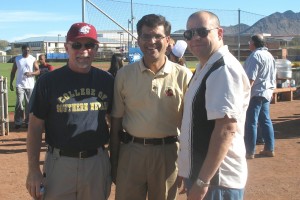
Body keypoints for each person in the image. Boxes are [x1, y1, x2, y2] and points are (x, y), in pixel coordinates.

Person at [26, 22, 114, 200]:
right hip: (60, 165)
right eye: (77, 45)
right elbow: (35, 126)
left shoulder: (106, 81)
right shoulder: (48, 81)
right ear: (67, 47)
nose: (84, 50)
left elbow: (114, 121)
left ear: (96, 48)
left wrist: (114, 161)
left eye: (90, 45)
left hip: (96, 163)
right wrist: (34, 170)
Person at [110, 14, 192, 200]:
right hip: (131, 153)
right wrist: (114, 161)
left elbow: (189, 127)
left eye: (157, 36)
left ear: (168, 40)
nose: (151, 42)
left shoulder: (183, 75)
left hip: (168, 154)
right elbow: (116, 122)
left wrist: (187, 166)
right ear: (138, 40)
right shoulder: (124, 75)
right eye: (145, 36)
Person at [177, 11, 251, 200]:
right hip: (206, 176)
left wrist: (202, 181)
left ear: (219, 33)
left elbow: (226, 129)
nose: (195, 38)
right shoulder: (206, 66)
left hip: (217, 180)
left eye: (202, 31)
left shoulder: (223, 69)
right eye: (189, 34)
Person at [244, 34, 276, 159]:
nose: (249, 44)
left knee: (251, 122)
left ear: (254, 43)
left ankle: (249, 151)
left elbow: (250, 78)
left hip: (256, 93)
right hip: (267, 92)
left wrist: (244, 94)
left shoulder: (255, 56)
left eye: (250, 42)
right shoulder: (269, 56)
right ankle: (269, 148)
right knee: (265, 120)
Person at [10, 44, 39, 129]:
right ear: (22, 50)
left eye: (28, 50)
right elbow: (13, 72)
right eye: (25, 50)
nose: (27, 51)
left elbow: (38, 71)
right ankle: (18, 121)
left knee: (29, 104)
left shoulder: (32, 59)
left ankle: (28, 122)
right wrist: (11, 83)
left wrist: (31, 73)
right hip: (20, 84)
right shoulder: (17, 59)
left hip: (30, 85)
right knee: (19, 102)